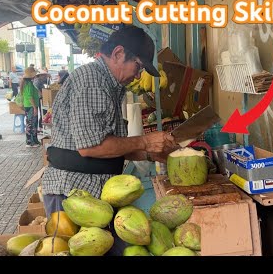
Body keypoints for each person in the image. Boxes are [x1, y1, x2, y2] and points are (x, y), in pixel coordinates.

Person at [41, 25, 178, 255]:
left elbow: (112, 144)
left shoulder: (110, 85)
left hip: (93, 194)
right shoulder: (92, 80)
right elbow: (91, 147)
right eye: (138, 66)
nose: (138, 75)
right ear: (118, 54)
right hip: (73, 194)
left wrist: (151, 152)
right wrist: (145, 141)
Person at [20, 66, 41, 148]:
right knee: (31, 124)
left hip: (30, 106)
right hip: (30, 106)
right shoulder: (28, 84)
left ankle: (34, 140)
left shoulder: (29, 83)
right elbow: (30, 96)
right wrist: (35, 108)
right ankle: (30, 142)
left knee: (33, 123)